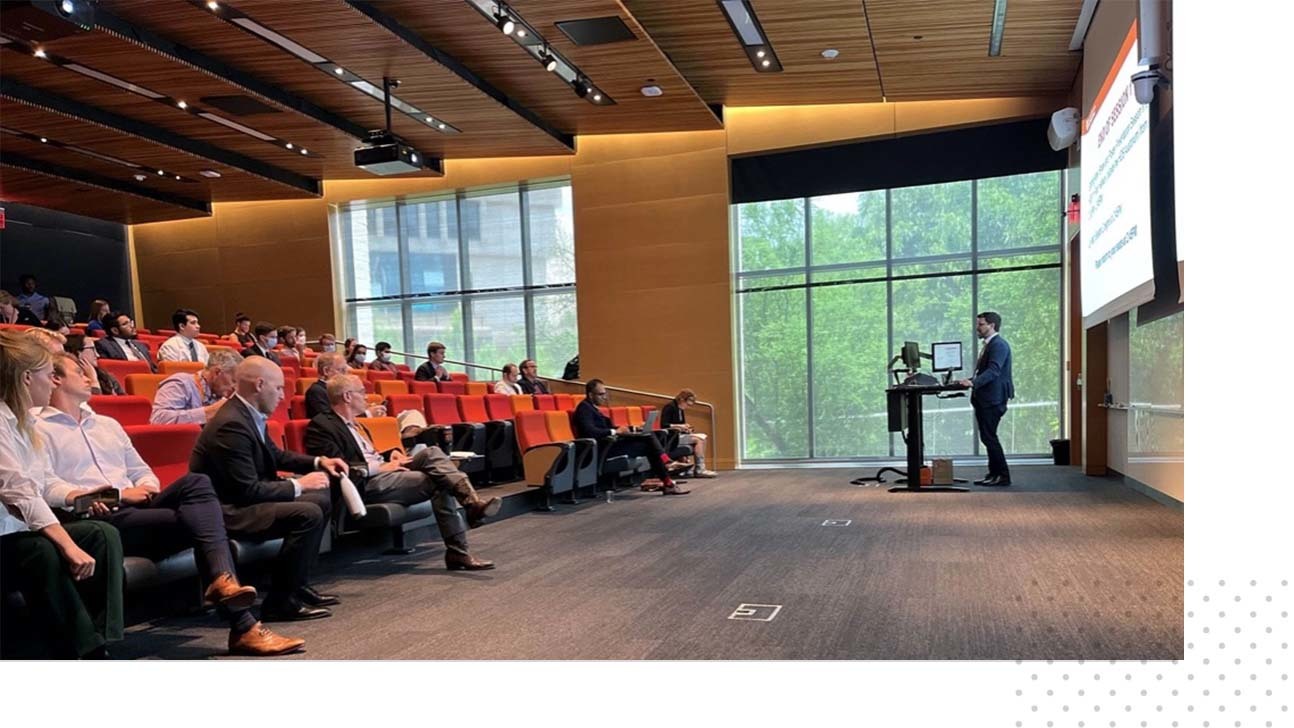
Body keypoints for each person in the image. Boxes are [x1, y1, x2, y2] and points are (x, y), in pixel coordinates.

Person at [36, 353, 304, 656]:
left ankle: (223, 582)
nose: (90, 377)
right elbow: (47, 486)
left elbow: (141, 471)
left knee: (198, 483)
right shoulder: (36, 427)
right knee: (203, 522)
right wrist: (118, 496)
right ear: (55, 378)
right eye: (78, 371)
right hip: (96, 516)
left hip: (139, 506)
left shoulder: (107, 424)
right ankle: (243, 624)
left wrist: (146, 487)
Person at [189, 356, 347, 622]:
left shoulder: (247, 414)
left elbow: (275, 455)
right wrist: (297, 484)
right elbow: (246, 491)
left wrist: (319, 461)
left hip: (242, 500)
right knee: (308, 513)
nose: (283, 396)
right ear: (260, 384)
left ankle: (296, 585)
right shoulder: (232, 424)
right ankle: (280, 602)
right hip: (226, 510)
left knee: (320, 497)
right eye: (279, 388)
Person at [0, 330, 123, 659]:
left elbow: (45, 483)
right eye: (46, 374)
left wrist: (77, 496)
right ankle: (83, 650)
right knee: (42, 549)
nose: (51, 382)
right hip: (9, 536)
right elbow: (19, 493)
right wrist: (68, 546)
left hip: (20, 532)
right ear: (27, 378)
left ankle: (101, 639)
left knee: (101, 533)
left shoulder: (23, 422)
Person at [304, 374, 499, 570]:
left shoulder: (356, 424)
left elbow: (365, 455)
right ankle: (460, 548)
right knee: (440, 480)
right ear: (347, 396)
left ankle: (472, 503)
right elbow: (339, 468)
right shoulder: (321, 425)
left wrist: (391, 455)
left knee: (430, 452)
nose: (367, 397)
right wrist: (380, 467)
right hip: (364, 485)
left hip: (384, 474)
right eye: (362, 392)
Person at [573, 379, 688, 495]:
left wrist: (632, 428)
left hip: (611, 443)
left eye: (605, 393)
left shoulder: (593, 408)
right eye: (601, 394)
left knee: (649, 435)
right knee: (648, 444)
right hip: (603, 449)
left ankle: (667, 473)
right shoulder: (584, 409)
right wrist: (615, 431)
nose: (604, 397)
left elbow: (610, 427)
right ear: (590, 395)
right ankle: (666, 466)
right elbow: (590, 432)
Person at [958, 311, 1015, 487]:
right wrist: (968, 381)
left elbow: (993, 371)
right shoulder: (990, 344)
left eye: (981, 324)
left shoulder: (998, 345)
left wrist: (973, 383)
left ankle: (1003, 475)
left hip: (993, 399)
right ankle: (993, 474)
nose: (977, 327)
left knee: (989, 437)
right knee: (987, 437)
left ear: (992, 325)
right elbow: (983, 372)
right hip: (986, 398)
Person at [150, 349, 241, 425]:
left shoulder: (224, 394)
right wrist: (208, 412)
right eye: (233, 381)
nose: (235, 388)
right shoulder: (182, 383)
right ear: (217, 372)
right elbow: (158, 419)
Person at [305, 353, 385, 420]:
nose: (346, 375)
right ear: (326, 371)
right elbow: (329, 420)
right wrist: (367, 414)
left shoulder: (340, 389)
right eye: (342, 370)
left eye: (346, 371)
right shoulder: (317, 391)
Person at [660, 389, 717, 478]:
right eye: (687, 404)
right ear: (682, 400)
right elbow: (664, 425)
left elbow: (681, 424)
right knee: (699, 439)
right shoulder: (669, 407)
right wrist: (680, 426)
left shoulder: (680, 409)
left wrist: (686, 428)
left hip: (679, 435)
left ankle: (697, 467)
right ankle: (700, 469)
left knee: (703, 438)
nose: (688, 406)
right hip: (671, 437)